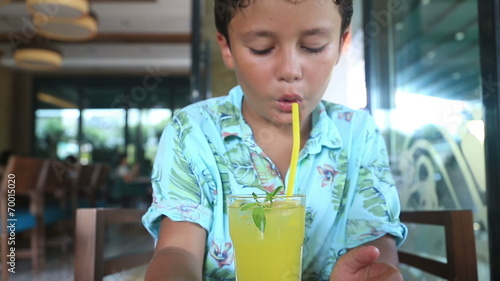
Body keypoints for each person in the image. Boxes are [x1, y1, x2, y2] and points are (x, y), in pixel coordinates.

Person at [142, 0, 408, 280]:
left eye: (314, 46)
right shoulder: (192, 130)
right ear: (227, 48)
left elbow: (376, 242)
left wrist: (373, 271)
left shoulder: (358, 133)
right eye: (262, 49)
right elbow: (178, 250)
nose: (290, 70)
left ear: (342, 44)